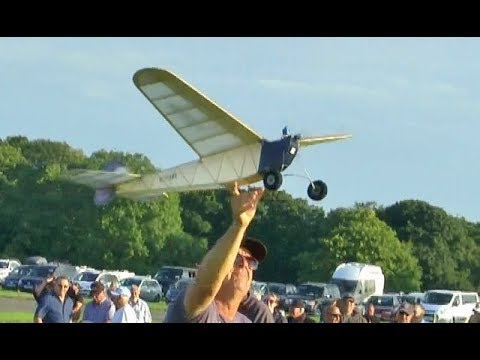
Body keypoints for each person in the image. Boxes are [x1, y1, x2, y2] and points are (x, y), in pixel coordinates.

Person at [164, 183, 265, 323]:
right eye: (237, 259)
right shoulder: (196, 309)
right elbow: (205, 287)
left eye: (251, 261)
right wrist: (238, 225)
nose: (245, 266)